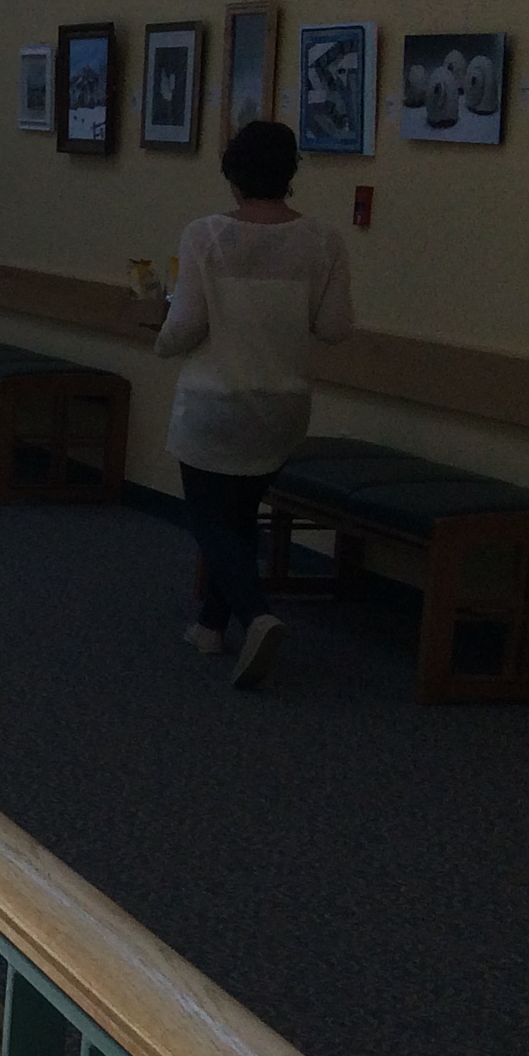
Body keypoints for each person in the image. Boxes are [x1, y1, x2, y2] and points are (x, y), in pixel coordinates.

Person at [145, 118, 355, 691]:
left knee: (209, 520)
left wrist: (157, 338)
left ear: (233, 176)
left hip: (214, 403)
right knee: (238, 516)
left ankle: (257, 616)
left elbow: (185, 325)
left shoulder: (207, 236)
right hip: (283, 407)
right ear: (290, 174)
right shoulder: (323, 241)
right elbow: (335, 327)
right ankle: (210, 628)